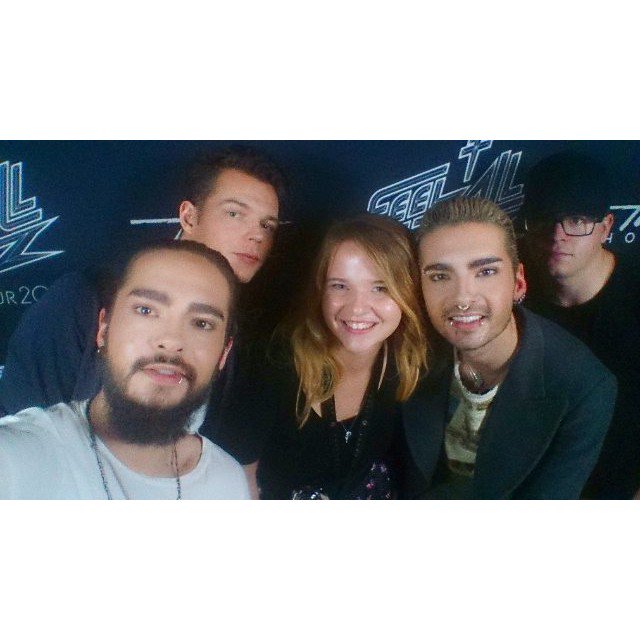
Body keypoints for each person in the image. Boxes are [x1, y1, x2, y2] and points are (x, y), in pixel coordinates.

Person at [0, 146, 286, 479]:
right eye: (235, 214)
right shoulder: (84, 297)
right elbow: (22, 436)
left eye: (267, 225)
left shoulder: (251, 337)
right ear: (189, 217)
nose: (256, 234)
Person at [0, 240, 250, 499]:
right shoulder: (17, 458)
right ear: (104, 329)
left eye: (201, 323)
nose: (171, 340)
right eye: (145, 310)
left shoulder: (228, 482)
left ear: (223, 354)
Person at [403, 196, 617, 499]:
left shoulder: (584, 389)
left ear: (518, 284)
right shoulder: (408, 350)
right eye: (440, 276)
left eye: (486, 272)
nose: (462, 298)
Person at [254, 214, 428, 499]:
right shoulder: (276, 365)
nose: (357, 308)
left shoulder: (410, 363)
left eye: (380, 288)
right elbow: (243, 479)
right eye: (339, 286)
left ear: (408, 291)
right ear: (320, 290)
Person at [520, 152, 640, 498]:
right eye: (544, 218)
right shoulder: (510, 285)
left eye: (576, 220)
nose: (558, 235)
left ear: (606, 227)